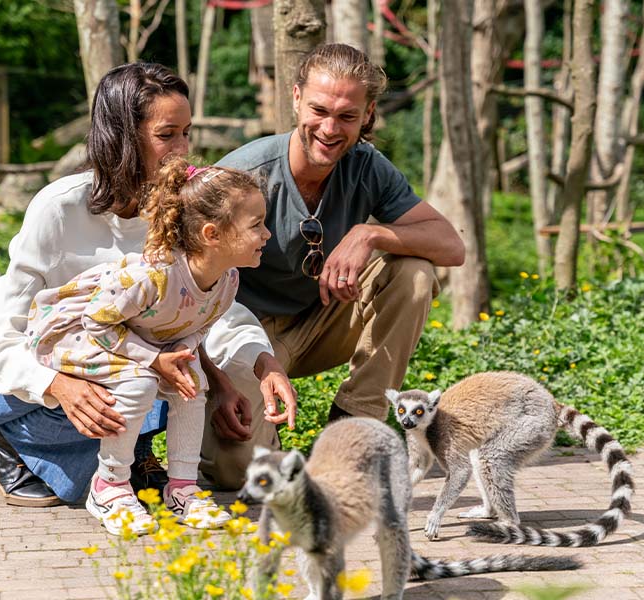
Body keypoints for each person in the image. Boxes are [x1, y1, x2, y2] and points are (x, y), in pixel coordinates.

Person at [0, 61, 296, 507]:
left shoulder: (177, 213)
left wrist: (261, 363)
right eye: (166, 134)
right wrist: (60, 386)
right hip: (5, 370)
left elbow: (208, 303)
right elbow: (5, 340)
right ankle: (9, 441)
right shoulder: (59, 209)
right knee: (141, 403)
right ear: (122, 136)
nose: (182, 150)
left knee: (174, 400)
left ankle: (104, 460)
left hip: (115, 366)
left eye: (186, 133)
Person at [198, 43, 465, 489]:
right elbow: (185, 284)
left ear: (368, 113)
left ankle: (354, 424)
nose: (329, 128)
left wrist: (370, 234)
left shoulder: (367, 167)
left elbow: (451, 247)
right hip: (245, 334)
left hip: (325, 320)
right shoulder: (245, 175)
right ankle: (279, 451)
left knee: (414, 273)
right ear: (296, 97)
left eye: (346, 116)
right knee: (238, 473)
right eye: (320, 110)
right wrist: (220, 377)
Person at [26, 157, 270, 534]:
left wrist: (181, 356)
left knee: (192, 383)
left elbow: (198, 326)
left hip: (135, 341)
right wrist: (154, 359)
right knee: (138, 383)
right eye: (257, 225)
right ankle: (109, 486)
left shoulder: (227, 281)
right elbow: (96, 320)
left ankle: (183, 491)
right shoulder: (153, 276)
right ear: (212, 234)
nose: (267, 234)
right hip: (75, 331)